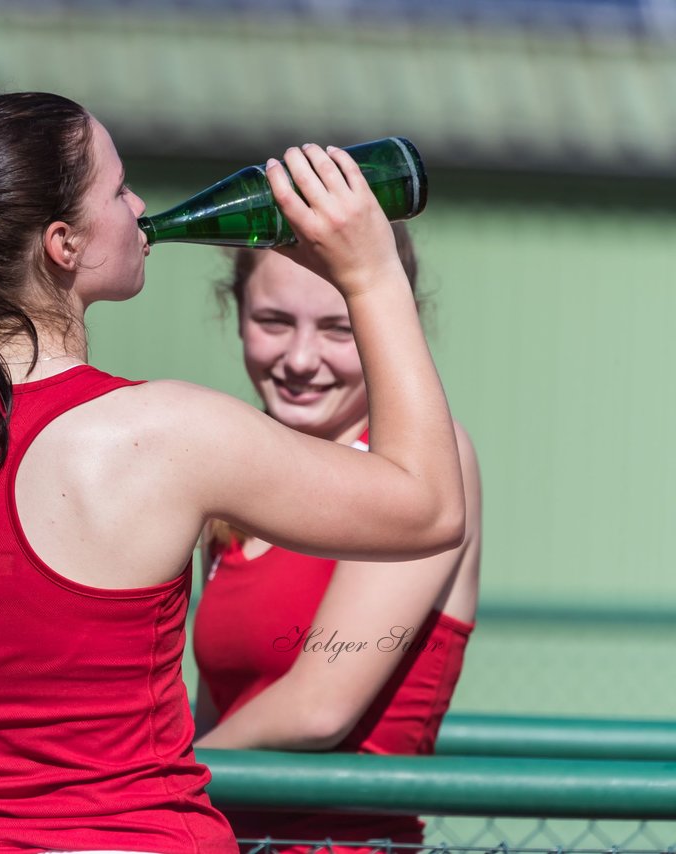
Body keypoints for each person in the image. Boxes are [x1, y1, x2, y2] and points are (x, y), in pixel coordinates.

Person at [0, 91, 466, 854]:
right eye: (117, 188)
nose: (139, 205)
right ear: (63, 244)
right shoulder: (166, 431)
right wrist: (371, 276)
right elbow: (430, 507)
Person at [191, 227, 482, 853]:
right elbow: (217, 715)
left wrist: (140, 786)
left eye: (338, 328)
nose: (299, 359)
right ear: (236, 313)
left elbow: (319, 709)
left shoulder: (425, 469)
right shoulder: (232, 481)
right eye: (273, 320)